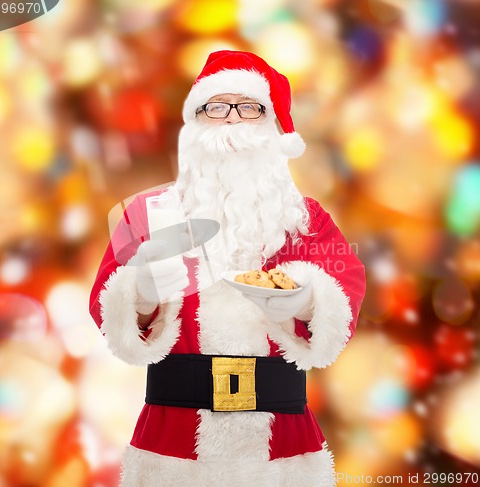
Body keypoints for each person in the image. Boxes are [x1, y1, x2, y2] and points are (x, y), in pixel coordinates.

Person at [89, 50, 366, 487]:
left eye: (249, 107)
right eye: (217, 108)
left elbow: (344, 296)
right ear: (195, 123)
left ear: (272, 126)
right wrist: (141, 291)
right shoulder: (146, 214)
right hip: (172, 445)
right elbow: (109, 315)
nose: (233, 120)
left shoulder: (306, 219)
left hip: (281, 448)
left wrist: (304, 298)